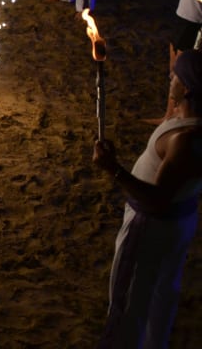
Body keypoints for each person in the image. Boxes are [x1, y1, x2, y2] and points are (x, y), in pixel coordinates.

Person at [92, 49, 202, 348]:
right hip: (177, 224)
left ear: (189, 88)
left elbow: (158, 200)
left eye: (176, 74)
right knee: (160, 296)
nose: (170, 77)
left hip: (151, 228)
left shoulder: (185, 140)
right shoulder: (188, 121)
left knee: (131, 301)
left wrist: (113, 169)